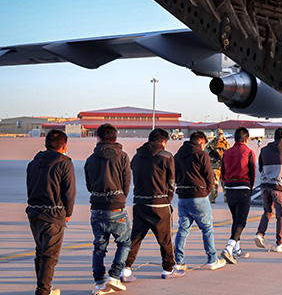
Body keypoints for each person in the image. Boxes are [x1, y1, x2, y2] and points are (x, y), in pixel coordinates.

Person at [122, 129, 185, 281]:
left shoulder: (136, 156)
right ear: (163, 142)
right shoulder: (166, 156)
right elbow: (171, 181)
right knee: (165, 239)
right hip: (160, 204)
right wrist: (168, 198)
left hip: (140, 202)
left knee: (135, 238)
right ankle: (168, 268)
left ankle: (126, 268)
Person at [26, 130, 76, 295]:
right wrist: (68, 212)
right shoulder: (64, 163)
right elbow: (69, 191)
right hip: (53, 214)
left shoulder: (33, 162)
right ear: (64, 145)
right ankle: (43, 290)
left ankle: (44, 288)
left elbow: (30, 187)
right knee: (50, 256)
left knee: (40, 252)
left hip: (34, 213)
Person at [84, 124, 131, 294]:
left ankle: (98, 282)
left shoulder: (90, 159)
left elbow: (89, 185)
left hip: (97, 206)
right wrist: (120, 198)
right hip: (116, 206)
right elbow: (126, 182)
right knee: (124, 243)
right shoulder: (123, 157)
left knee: (99, 247)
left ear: (99, 138)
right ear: (115, 138)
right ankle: (114, 276)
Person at [173, 131, 226, 271]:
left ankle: (178, 261)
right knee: (207, 229)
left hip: (183, 196)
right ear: (201, 142)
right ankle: (212, 260)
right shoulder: (202, 155)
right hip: (199, 196)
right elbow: (209, 176)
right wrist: (206, 192)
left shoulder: (177, 156)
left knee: (183, 230)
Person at [254, 127, 282, 253]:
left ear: (274, 137)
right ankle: (280, 243)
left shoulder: (264, 150)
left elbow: (260, 167)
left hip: (265, 185)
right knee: (281, 215)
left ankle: (260, 234)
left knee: (267, 211)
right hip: (279, 186)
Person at [220, 127, 256, 264]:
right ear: (247, 139)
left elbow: (222, 173)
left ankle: (237, 249)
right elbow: (252, 173)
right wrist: (250, 188)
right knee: (241, 221)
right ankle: (229, 248)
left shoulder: (226, 153)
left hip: (229, 188)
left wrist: (225, 186)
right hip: (243, 187)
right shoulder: (248, 152)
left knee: (235, 218)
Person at [205, 129, 230, 203]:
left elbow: (229, 152)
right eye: (218, 134)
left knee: (225, 183)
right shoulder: (211, 144)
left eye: (221, 134)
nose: (220, 136)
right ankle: (212, 198)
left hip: (224, 166)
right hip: (214, 166)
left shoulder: (226, 143)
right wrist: (212, 157)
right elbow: (206, 153)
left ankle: (226, 198)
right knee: (214, 184)